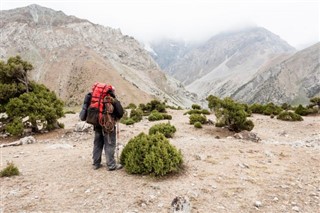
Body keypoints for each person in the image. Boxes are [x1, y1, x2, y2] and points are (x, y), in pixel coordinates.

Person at [92, 86, 124, 171]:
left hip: (97, 124)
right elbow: (120, 112)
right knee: (110, 144)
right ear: (112, 91)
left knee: (97, 144)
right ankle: (111, 165)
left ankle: (96, 163)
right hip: (108, 125)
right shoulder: (112, 100)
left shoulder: (97, 99)